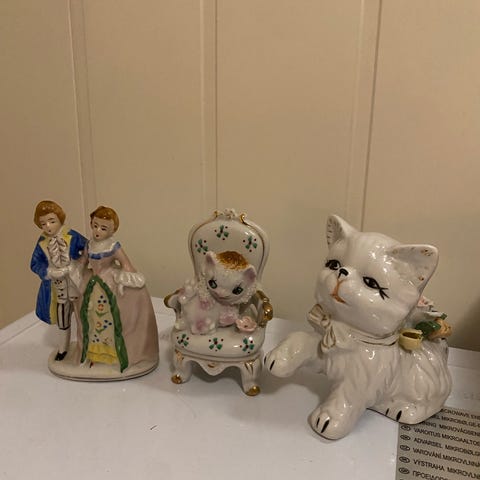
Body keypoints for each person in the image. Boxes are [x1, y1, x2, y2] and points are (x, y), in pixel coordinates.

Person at [77, 206, 158, 372]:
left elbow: (126, 265)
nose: (97, 231)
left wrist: (125, 279)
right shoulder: (89, 244)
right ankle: (94, 354)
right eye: (95, 226)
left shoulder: (113, 246)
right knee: (91, 318)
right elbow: (83, 262)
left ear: (112, 230)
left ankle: (113, 354)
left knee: (111, 317)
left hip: (108, 282)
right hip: (93, 283)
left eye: (103, 228)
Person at [31, 200, 87, 360]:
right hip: (57, 288)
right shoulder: (42, 242)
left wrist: (80, 264)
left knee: (82, 315)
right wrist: (49, 272)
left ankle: (85, 346)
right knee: (62, 318)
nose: (48, 226)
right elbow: (34, 263)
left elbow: (88, 247)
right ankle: (63, 348)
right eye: (43, 223)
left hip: (75, 283)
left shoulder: (72, 235)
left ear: (60, 219)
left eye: (52, 221)